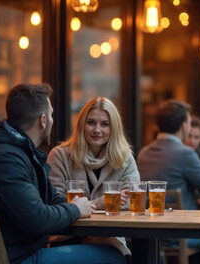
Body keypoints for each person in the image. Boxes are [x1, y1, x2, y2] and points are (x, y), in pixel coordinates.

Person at [0, 83, 125, 264]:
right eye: (52, 115)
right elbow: (37, 220)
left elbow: (51, 199)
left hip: (15, 252)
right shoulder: (5, 159)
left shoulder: (20, 153)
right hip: (11, 258)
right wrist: (75, 209)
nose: (53, 121)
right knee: (112, 257)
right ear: (43, 120)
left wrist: (86, 205)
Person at [47, 96, 140, 255]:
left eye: (105, 124)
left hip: (110, 237)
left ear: (113, 128)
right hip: (68, 238)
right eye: (91, 123)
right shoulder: (60, 156)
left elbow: (132, 201)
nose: (97, 130)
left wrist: (88, 207)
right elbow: (54, 204)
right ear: (82, 125)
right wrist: (99, 203)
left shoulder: (124, 158)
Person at [137, 99, 200, 247]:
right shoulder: (185, 153)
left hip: (148, 233)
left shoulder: (143, 152)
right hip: (178, 234)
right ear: (184, 126)